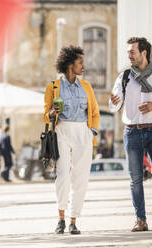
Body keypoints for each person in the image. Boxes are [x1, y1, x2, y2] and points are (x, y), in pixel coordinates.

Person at [109, 37, 152, 231]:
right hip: (131, 132)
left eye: (132, 52)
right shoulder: (124, 77)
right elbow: (113, 106)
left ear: (144, 53)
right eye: (128, 52)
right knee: (136, 179)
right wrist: (114, 102)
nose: (129, 55)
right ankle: (141, 220)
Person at [44, 45, 100, 235]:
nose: (83, 66)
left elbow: (94, 112)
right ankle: (61, 218)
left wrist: (91, 131)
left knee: (81, 179)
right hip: (62, 131)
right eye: (80, 62)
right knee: (63, 175)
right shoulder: (53, 87)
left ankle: (73, 221)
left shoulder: (87, 87)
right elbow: (46, 114)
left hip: (83, 132)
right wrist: (51, 112)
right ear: (69, 64)